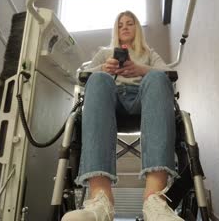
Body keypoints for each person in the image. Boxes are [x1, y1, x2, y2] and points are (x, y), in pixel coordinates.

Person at [62, 11, 183, 221]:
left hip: (144, 102)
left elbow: (168, 75)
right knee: (98, 79)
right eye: (120, 25)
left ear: (137, 28)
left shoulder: (149, 53)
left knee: (156, 77)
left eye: (129, 23)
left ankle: (155, 202)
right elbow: (82, 79)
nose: (124, 27)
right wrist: (104, 68)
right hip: (111, 101)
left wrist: (139, 69)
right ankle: (101, 201)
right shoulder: (105, 53)